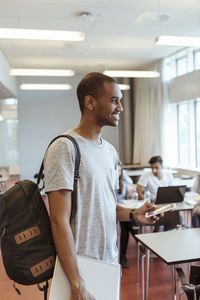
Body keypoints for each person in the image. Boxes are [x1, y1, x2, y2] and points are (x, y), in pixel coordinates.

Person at [44, 72, 158, 300]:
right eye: (114, 100)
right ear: (90, 102)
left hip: (108, 262)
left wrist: (135, 214)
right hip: (78, 268)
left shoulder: (110, 152)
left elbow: (105, 206)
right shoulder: (64, 148)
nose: (121, 108)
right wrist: (76, 284)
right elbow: (58, 220)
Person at [117, 161, 138, 269]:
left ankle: (122, 256)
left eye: (120, 171)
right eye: (116, 170)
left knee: (125, 226)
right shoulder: (108, 181)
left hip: (123, 210)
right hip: (113, 211)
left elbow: (129, 194)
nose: (118, 173)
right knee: (129, 223)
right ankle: (139, 240)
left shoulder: (124, 181)